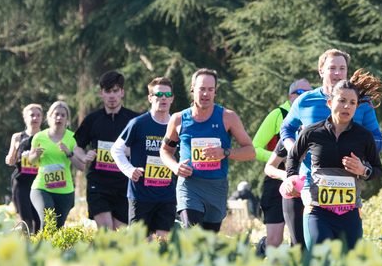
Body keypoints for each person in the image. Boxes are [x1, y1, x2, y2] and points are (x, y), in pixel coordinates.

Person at [284, 80, 382, 249]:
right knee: (322, 261)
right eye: (342, 101)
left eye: (352, 103)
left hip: (349, 213)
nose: (347, 106)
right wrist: (291, 178)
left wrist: (363, 170)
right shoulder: (312, 132)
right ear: (330, 103)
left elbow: (378, 170)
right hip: (318, 211)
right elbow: (293, 158)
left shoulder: (363, 136)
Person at [160, 68, 257, 231]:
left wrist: (225, 152)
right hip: (189, 186)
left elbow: (250, 151)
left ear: (215, 92)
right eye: (202, 89)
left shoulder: (228, 117)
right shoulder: (178, 119)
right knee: (192, 234)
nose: (206, 94)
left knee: (209, 240)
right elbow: (165, 150)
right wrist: (175, 167)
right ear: (193, 89)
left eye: (210, 90)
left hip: (216, 187)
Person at [114, 77, 178, 240]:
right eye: (158, 95)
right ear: (150, 98)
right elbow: (116, 150)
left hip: (167, 195)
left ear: (172, 98)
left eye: (167, 94)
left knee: (164, 242)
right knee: (141, 243)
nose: (163, 98)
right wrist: (129, 170)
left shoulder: (178, 125)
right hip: (140, 195)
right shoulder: (138, 123)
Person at [251, 79, 311, 250]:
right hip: (278, 177)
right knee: (274, 240)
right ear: (289, 96)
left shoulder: (314, 115)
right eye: (299, 93)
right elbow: (255, 147)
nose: (303, 96)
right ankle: (263, 249)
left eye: (308, 92)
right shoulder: (279, 114)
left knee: (300, 238)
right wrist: (286, 158)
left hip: (306, 181)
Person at [74, 70, 137, 231]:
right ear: (101, 93)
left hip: (124, 184)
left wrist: (130, 152)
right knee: (106, 230)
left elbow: (143, 148)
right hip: (98, 184)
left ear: (122, 92)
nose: (112, 96)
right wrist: (84, 156)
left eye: (115, 91)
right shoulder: (92, 119)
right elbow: (77, 146)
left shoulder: (134, 120)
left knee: (120, 233)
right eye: (108, 91)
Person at [26, 99, 84, 230]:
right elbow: (31, 161)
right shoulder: (39, 137)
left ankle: (53, 250)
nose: (59, 118)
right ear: (49, 117)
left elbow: (81, 167)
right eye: (56, 114)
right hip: (42, 188)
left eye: (63, 115)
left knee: (58, 228)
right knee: (48, 221)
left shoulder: (72, 137)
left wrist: (68, 153)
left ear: (67, 119)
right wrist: (35, 155)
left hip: (65, 190)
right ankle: (42, 249)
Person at [4, 103, 44, 235]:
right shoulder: (17, 137)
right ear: (25, 118)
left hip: (40, 183)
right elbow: (10, 158)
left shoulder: (45, 137)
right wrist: (10, 158)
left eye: (38, 115)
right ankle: (26, 246)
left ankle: (38, 246)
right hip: (21, 182)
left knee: (39, 219)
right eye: (32, 115)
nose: (35, 118)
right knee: (26, 219)